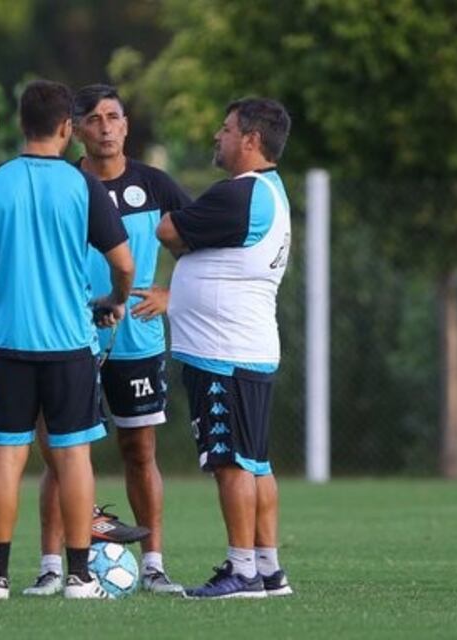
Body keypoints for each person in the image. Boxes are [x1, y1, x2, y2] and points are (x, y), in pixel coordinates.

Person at [0, 79, 134, 600]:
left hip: (6, 345)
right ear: (66, 128)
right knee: (74, 456)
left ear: (19, 124)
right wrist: (115, 299)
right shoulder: (84, 187)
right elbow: (124, 263)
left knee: (5, 458)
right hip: (69, 346)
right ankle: (79, 577)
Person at [23, 84, 191, 597]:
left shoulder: (156, 186)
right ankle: (53, 565)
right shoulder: (64, 181)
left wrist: (171, 292)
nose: (104, 127)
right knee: (63, 451)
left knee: (139, 449)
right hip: (70, 336)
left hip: (137, 338)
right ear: (74, 128)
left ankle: (155, 564)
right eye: (92, 118)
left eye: (112, 116)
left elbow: (199, 247)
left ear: (126, 125)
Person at [156, 97, 294, 599]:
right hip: (247, 347)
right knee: (255, 462)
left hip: (224, 352)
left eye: (226, 128)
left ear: (251, 140)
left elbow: (168, 229)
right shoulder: (270, 193)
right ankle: (269, 569)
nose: (218, 135)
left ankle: (243, 572)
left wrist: (186, 242)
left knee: (232, 462)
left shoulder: (239, 194)